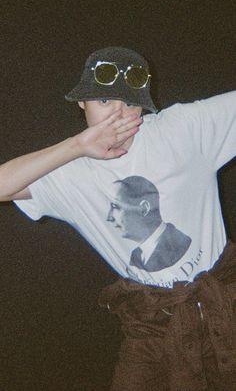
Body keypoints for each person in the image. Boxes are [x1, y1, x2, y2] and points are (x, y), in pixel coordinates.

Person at [0, 46, 235, 391]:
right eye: (104, 102)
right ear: (81, 102)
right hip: (152, 322)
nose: (118, 115)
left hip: (226, 300)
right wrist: (77, 146)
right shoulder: (69, 173)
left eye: (129, 102)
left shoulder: (182, 129)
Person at [107, 176, 192, 271]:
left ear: (144, 208)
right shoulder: (136, 257)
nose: (109, 217)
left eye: (115, 206)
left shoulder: (179, 244)